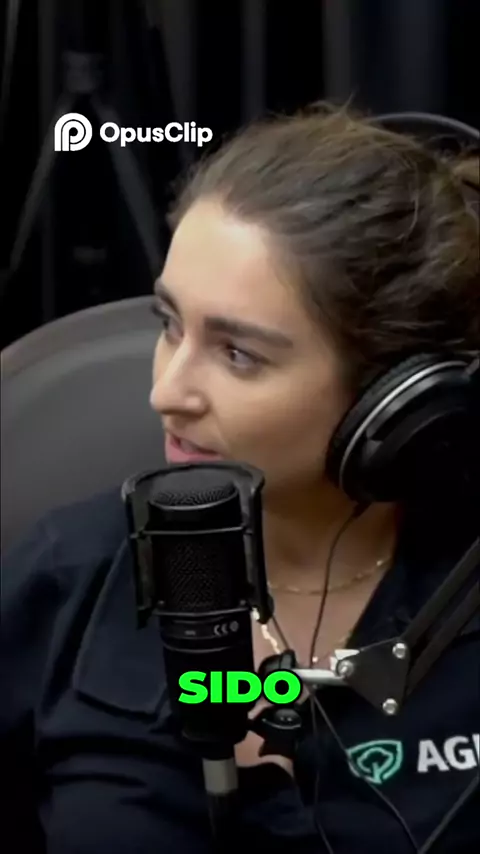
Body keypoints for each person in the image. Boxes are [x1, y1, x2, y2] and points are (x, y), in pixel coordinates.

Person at [2, 102, 479, 854]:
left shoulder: (461, 592)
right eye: (169, 324)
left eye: (238, 355)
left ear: (395, 397)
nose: (166, 392)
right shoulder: (64, 578)